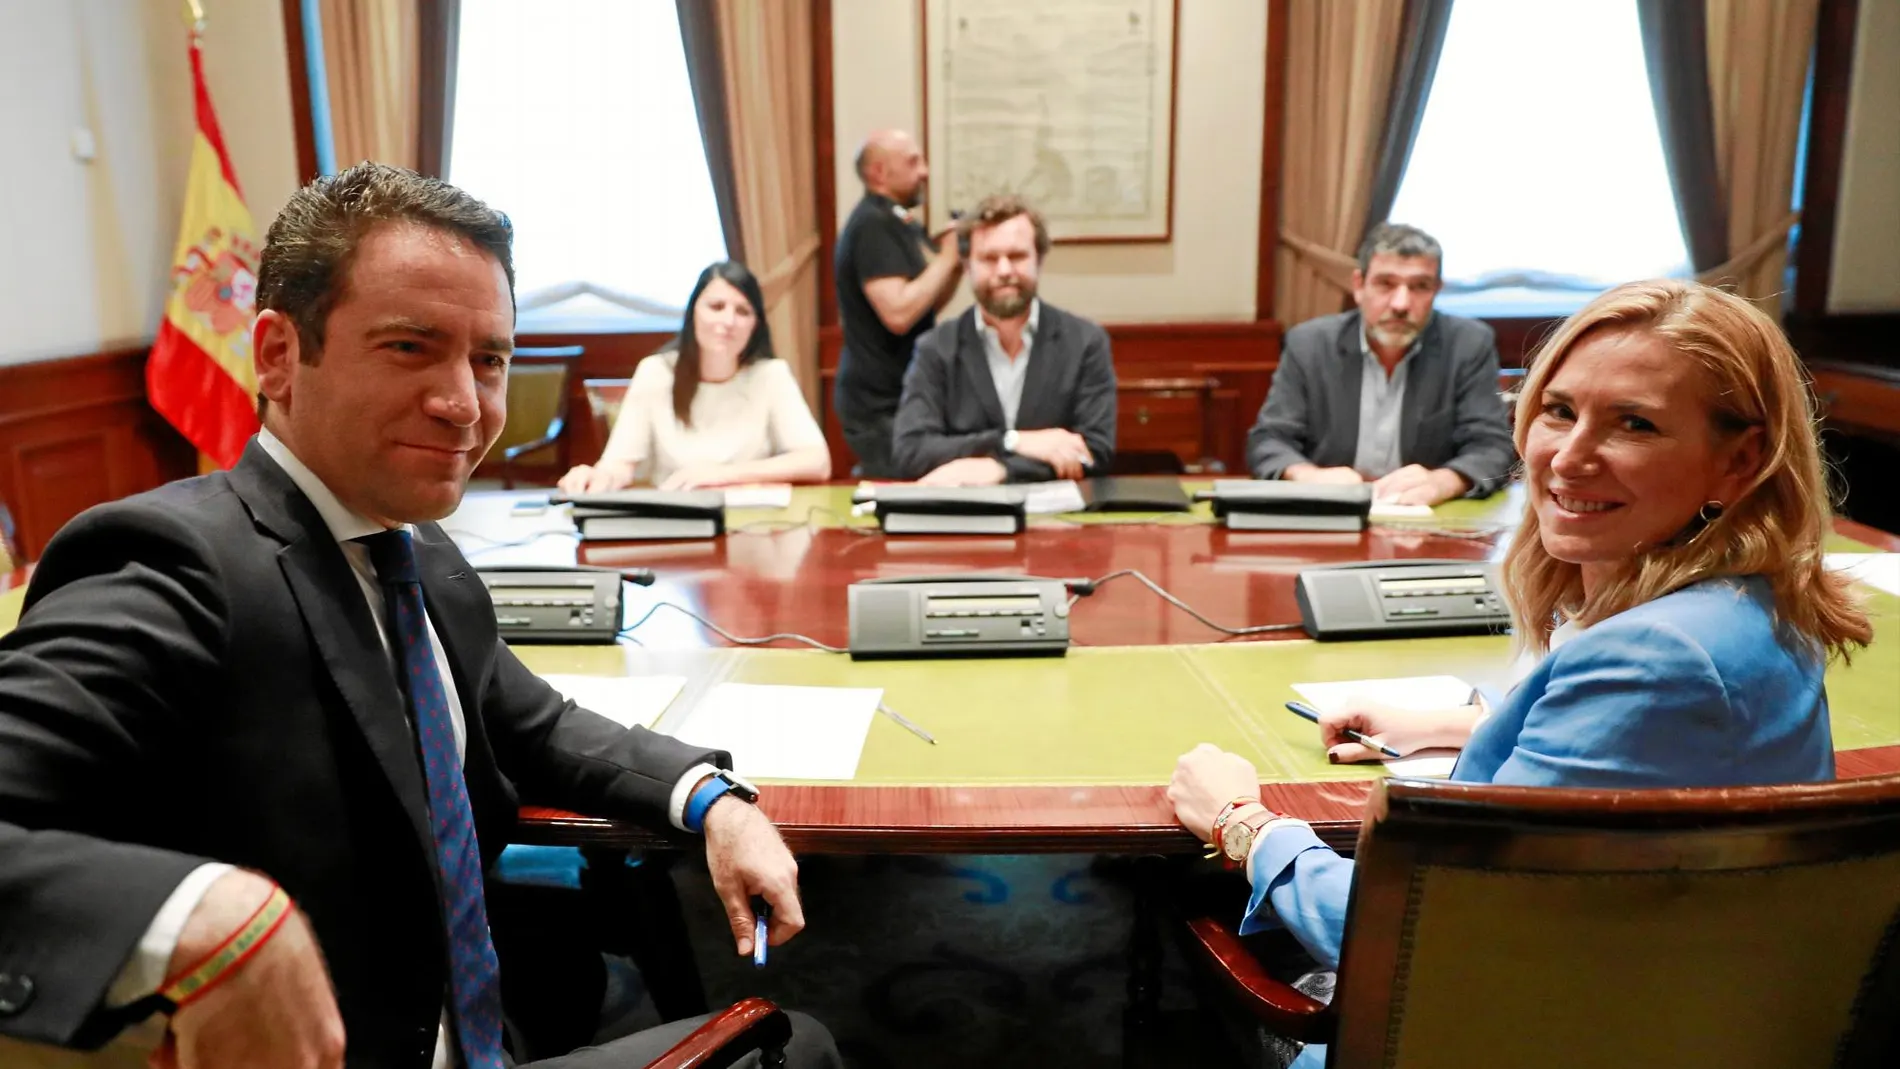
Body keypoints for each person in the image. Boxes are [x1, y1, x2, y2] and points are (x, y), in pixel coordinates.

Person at [0, 163, 838, 1069]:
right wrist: (205, 918)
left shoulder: (418, 549)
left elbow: (534, 723)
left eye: (490, 358)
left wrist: (711, 798)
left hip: (471, 1020)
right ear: (278, 354)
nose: (466, 405)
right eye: (409, 347)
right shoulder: (174, 565)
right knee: (807, 1047)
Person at [1172, 279, 1872, 1068]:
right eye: (1559, 410)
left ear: (1737, 461)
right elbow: (1652, 763)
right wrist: (1464, 724)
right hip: (1677, 998)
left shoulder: (1658, 660)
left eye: (1633, 424)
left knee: (1165, 912)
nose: (1568, 456)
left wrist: (1244, 824)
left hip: (1536, 1028)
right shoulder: (1752, 609)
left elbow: (1413, 936)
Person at [1245, 223, 1516, 505]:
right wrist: (1308, 476)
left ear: (1436, 290)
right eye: (1385, 284)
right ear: (1359, 286)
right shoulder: (1310, 344)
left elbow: (1492, 447)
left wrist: (1443, 482)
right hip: (1332, 513)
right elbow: (1269, 440)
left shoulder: (1468, 344)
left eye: (1420, 286)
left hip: (1427, 519)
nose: (1401, 303)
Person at [890, 193, 1116, 484]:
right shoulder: (935, 349)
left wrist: (1000, 469)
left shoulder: (1085, 342)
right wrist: (1010, 442)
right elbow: (911, 451)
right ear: (968, 267)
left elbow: (1095, 452)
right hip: (965, 522)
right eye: (989, 258)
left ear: (1040, 260)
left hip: (1060, 522)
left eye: (1017, 256)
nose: (1004, 270)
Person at [557, 261, 830, 493]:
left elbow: (817, 462)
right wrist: (593, 476)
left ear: (756, 325)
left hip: (753, 525)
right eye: (716, 306)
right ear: (693, 313)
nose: (728, 321)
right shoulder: (656, 372)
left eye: (743, 311)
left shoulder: (771, 375)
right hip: (678, 525)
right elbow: (619, 465)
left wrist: (719, 475)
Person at [832, 129, 964, 478]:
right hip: (877, 403)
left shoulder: (901, 221)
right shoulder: (873, 224)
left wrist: (954, 265)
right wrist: (946, 259)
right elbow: (898, 314)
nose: (925, 171)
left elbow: (926, 305)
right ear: (878, 172)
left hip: (906, 393)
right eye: (912, 162)